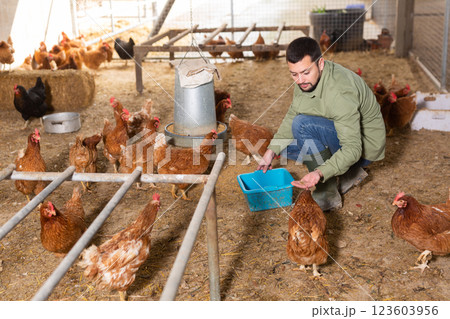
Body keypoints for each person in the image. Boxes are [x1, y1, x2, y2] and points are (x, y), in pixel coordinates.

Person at [257, 37, 386, 211]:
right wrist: (271, 152)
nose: (300, 80)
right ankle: (348, 173)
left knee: (301, 126)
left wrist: (319, 173)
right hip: (339, 130)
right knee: (285, 147)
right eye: (294, 74)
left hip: (364, 145)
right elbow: (293, 113)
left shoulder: (340, 92)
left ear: (321, 64)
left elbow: (353, 148)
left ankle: (327, 195)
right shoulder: (306, 81)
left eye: (305, 72)